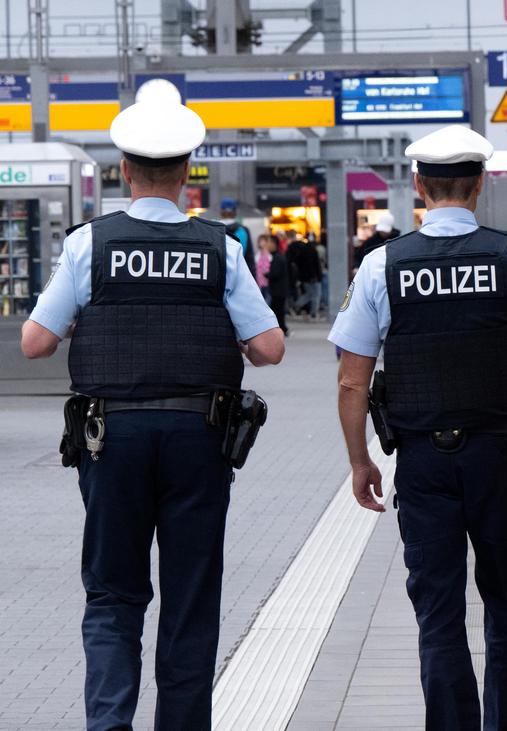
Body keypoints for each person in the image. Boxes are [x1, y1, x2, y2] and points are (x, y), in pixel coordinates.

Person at [18, 88, 284, 729]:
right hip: (201, 437)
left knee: (113, 594)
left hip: (113, 439)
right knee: (191, 598)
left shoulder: (90, 245)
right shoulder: (219, 248)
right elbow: (270, 349)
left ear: (123, 170)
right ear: (189, 170)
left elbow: (34, 343)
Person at [329, 124, 507, 731]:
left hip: (423, 463)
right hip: (501, 460)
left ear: (418, 185)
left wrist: (361, 462)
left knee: (438, 614)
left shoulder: (382, 266)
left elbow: (351, 380)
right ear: (479, 185)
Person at [261, 233, 291, 334]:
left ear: (274, 244)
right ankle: (282, 329)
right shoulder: (276, 256)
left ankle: (282, 329)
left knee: (278, 311)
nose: (267, 245)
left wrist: (266, 274)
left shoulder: (278, 257)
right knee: (278, 311)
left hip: (278, 290)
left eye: (268, 242)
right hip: (278, 290)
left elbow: (275, 273)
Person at [287, 237, 322, 319]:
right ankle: (313, 313)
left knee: (309, 294)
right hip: (314, 277)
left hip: (305, 277)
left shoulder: (301, 253)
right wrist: (317, 276)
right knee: (316, 295)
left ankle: (296, 305)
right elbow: (316, 266)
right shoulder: (312, 251)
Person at [220, 197, 255, 274]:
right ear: (235, 212)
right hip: (239, 274)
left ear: (221, 212)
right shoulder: (244, 230)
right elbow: (249, 258)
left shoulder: (214, 229)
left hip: (218, 276)